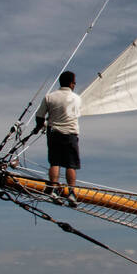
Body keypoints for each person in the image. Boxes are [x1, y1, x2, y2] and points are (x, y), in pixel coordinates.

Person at [36, 72, 81, 204]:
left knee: (55, 162)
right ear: (71, 83)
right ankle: (71, 193)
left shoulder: (49, 97)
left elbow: (39, 116)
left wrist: (40, 126)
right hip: (71, 134)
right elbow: (76, 114)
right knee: (70, 165)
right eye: (74, 82)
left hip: (54, 133)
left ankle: (53, 190)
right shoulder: (77, 98)